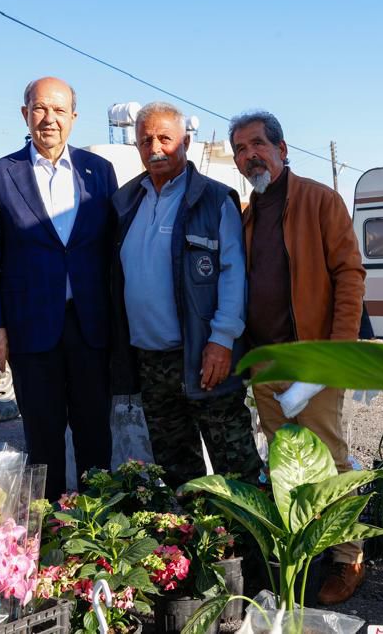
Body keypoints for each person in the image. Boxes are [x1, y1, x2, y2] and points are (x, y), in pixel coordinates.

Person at [229, 110, 367, 605]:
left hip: (314, 359)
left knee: (329, 459)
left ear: (282, 150)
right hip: (266, 362)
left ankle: (349, 558)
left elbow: (350, 275)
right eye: (240, 149)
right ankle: (303, 554)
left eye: (257, 145)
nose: (249, 155)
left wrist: (336, 354)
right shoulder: (247, 216)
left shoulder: (319, 200)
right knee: (286, 466)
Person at [0, 77, 117, 501]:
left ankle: (98, 524)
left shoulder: (99, 171)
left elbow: (112, 250)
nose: (49, 118)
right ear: (25, 114)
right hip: (31, 329)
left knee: (95, 432)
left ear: (73, 117)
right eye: (39, 108)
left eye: (58, 110)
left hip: (91, 326)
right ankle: (49, 526)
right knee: (42, 435)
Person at [110, 102, 262, 490]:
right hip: (151, 362)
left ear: (186, 143)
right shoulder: (126, 201)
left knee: (236, 469)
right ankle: (194, 530)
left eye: (165, 138)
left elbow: (233, 274)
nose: (155, 148)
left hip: (204, 355)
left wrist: (222, 341)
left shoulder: (214, 199)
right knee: (177, 472)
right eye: (146, 140)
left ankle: (248, 531)